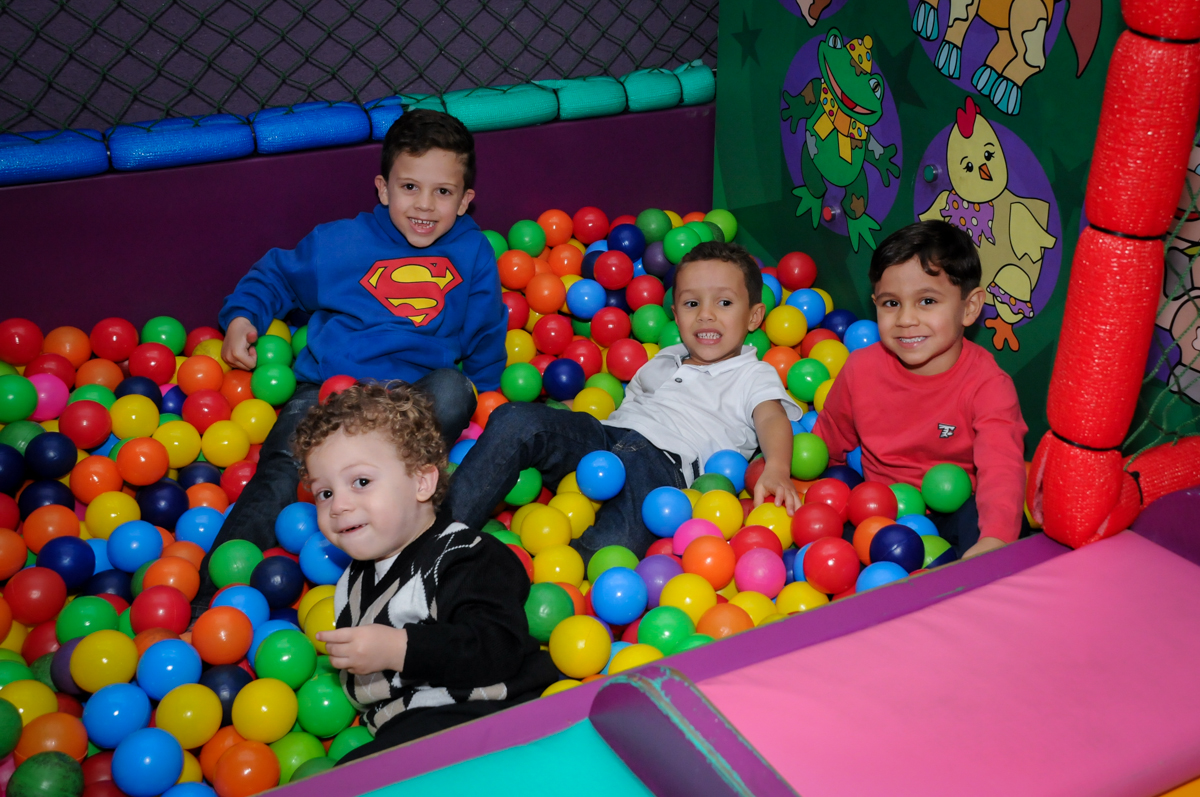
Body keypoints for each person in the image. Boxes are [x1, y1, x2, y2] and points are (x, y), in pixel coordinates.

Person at [193, 110, 506, 615]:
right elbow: (277, 274)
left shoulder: (471, 252)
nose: (425, 205)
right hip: (331, 392)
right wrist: (243, 316)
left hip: (410, 399)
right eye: (409, 187)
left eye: (443, 192)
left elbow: (486, 328)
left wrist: (491, 397)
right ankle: (210, 602)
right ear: (383, 188)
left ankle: (392, 532)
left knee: (453, 389)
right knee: (282, 473)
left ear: (466, 200)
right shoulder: (339, 243)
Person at [450, 241, 804, 561]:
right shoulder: (667, 356)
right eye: (691, 303)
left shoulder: (752, 373)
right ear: (676, 313)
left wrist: (776, 467)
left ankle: (548, 575)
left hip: (663, 468)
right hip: (604, 438)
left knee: (614, 548)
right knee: (516, 419)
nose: (705, 314)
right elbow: (626, 407)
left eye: (724, 303)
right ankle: (441, 533)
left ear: (754, 316)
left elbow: (771, 418)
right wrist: (566, 421)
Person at [296, 382, 556, 764]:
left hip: (490, 711)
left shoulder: (463, 555)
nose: (338, 506)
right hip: (411, 731)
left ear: (421, 482)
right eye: (325, 493)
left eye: (361, 482)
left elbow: (498, 647)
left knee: (359, 772)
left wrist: (397, 648)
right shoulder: (351, 583)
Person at [814, 220, 1028, 558]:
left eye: (927, 301)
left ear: (970, 307)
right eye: (891, 303)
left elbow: (1001, 469)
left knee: (999, 524)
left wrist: (994, 540)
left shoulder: (988, 386)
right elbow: (827, 443)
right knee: (833, 538)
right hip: (880, 513)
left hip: (955, 510)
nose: (906, 319)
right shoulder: (860, 369)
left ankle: (964, 572)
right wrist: (795, 482)